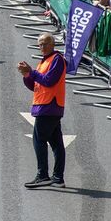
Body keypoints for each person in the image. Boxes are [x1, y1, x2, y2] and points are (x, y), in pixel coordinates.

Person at [18, 33, 66, 188]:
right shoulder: (44, 61)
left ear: (52, 44)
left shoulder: (57, 59)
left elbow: (49, 81)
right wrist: (27, 75)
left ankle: (43, 175)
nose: (42, 47)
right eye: (40, 45)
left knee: (38, 140)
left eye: (45, 44)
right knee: (56, 143)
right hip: (46, 106)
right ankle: (57, 177)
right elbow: (36, 86)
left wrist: (32, 72)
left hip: (49, 106)